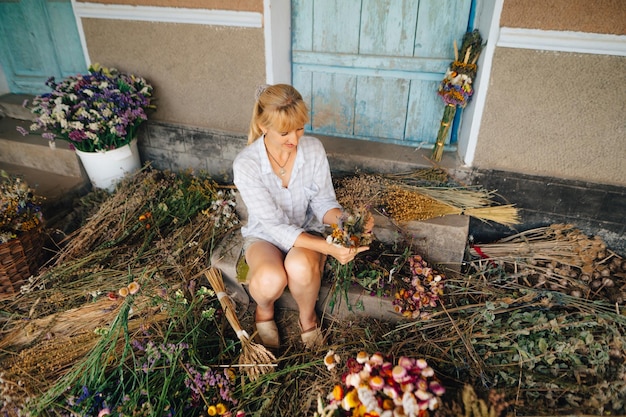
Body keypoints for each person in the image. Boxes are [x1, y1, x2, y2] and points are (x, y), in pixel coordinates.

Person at [233, 84, 371, 349]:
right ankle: (263, 309)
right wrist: (327, 248)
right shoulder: (246, 165)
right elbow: (273, 226)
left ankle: (307, 318)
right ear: (264, 127)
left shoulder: (313, 149)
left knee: (299, 266)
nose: (294, 140)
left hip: (306, 228)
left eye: (299, 128)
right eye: (284, 132)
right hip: (266, 236)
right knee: (270, 279)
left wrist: (349, 222)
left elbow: (323, 202)